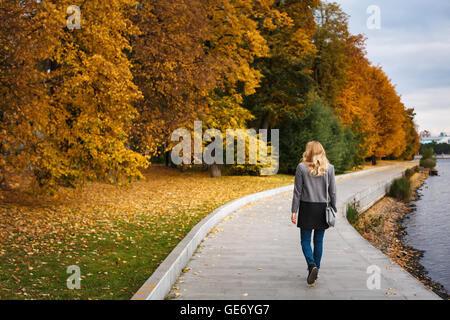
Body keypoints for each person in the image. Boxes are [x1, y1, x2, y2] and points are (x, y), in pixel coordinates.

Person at [291, 141, 337, 285]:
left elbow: (297, 191)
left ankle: (312, 266)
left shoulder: (301, 167)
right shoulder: (329, 168)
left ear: (308, 151)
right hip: (322, 208)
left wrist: (294, 210)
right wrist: (334, 207)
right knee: (318, 241)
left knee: (305, 240)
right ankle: (315, 270)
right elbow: (333, 191)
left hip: (306, 208)